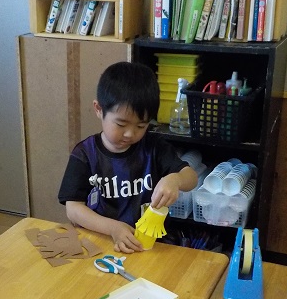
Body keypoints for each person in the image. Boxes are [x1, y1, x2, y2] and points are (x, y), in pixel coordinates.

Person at [58, 61, 198, 253]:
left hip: (150, 245)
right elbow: (73, 209)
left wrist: (176, 179)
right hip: (103, 241)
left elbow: (191, 177)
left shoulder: (154, 147)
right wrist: (113, 228)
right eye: (121, 124)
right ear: (99, 109)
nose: (130, 134)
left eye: (141, 126)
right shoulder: (85, 154)